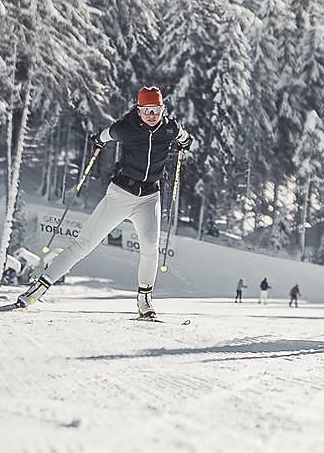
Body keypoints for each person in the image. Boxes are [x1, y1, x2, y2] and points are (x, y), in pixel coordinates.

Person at [15, 86, 194, 319]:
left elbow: (184, 137)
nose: (152, 114)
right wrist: (97, 142)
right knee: (83, 245)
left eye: (156, 109)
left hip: (149, 198)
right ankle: (38, 288)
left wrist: (184, 143)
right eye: (147, 109)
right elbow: (104, 135)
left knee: (150, 249)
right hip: (120, 194)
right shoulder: (125, 128)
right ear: (139, 110)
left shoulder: (170, 128)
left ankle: (144, 300)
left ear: (162, 109)